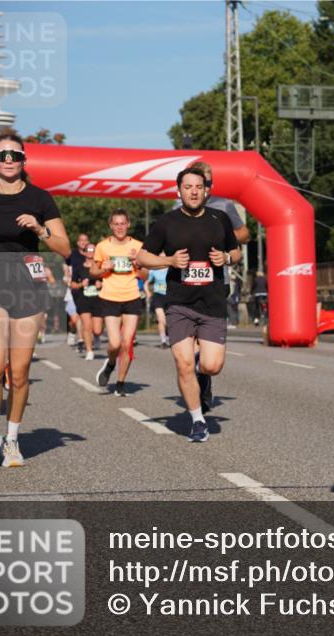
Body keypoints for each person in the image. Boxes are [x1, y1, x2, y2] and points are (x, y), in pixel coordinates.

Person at [0, 131, 71, 469]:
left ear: (24, 159)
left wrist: (41, 231)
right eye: (1, 155)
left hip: (27, 286)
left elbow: (64, 248)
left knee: (21, 372)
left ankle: (12, 440)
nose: (8, 160)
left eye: (14, 155)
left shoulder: (41, 198)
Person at [138, 167, 241, 442]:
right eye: (188, 187)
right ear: (179, 190)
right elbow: (143, 257)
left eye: (199, 187)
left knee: (212, 365)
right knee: (182, 364)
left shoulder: (220, 219)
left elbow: (236, 250)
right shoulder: (167, 222)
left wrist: (226, 259)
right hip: (179, 303)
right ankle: (197, 420)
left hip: (213, 303)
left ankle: (203, 375)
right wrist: (169, 262)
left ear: (206, 190)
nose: (194, 191)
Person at [89, 209, 147, 395]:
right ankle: (111, 364)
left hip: (131, 296)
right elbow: (93, 272)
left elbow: (145, 275)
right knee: (114, 343)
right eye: (116, 224)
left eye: (123, 223)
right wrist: (103, 269)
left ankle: (121, 383)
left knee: (127, 343)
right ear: (111, 226)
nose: (120, 227)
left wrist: (137, 263)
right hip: (110, 297)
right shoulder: (102, 247)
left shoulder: (138, 246)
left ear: (128, 224)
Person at [66, 233, 98, 359]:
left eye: (93, 250)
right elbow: (72, 283)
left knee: (97, 330)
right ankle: (89, 350)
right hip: (82, 298)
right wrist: (80, 284)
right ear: (84, 253)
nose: (90, 252)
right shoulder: (77, 265)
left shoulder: (100, 266)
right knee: (86, 324)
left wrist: (101, 283)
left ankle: (91, 338)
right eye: (88, 250)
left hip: (98, 299)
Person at [145, 261, 169, 348]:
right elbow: (146, 283)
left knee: (169, 320)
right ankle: (163, 341)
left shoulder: (172, 270)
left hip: (170, 297)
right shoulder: (154, 271)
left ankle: (167, 334)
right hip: (158, 296)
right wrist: (148, 292)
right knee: (161, 319)